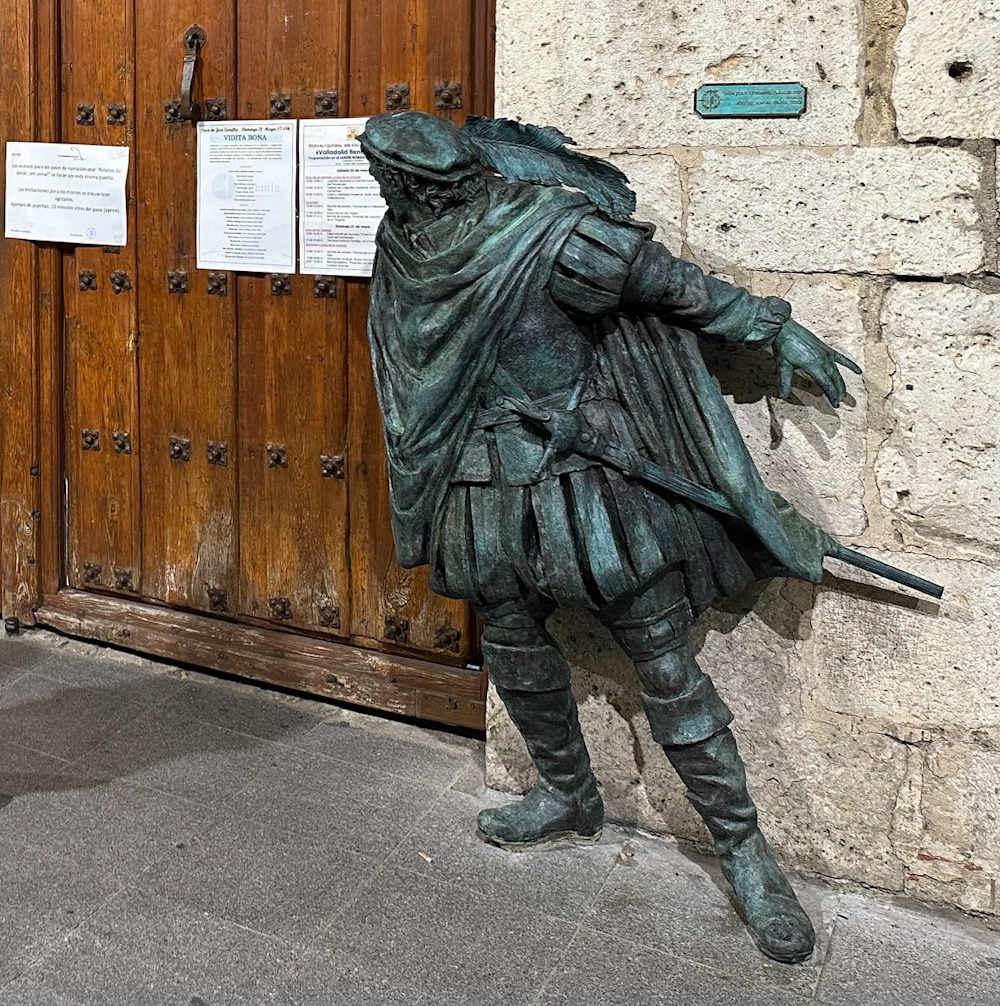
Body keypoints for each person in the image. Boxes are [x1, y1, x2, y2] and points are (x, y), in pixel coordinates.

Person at [361, 111, 859, 964]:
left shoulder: (554, 236)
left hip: (584, 474)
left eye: (390, 181)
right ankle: (566, 792)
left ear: (418, 181)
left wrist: (773, 328)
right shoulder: (405, 240)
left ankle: (745, 850)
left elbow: (675, 288)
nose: (385, 194)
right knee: (512, 640)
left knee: (664, 657)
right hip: (476, 476)